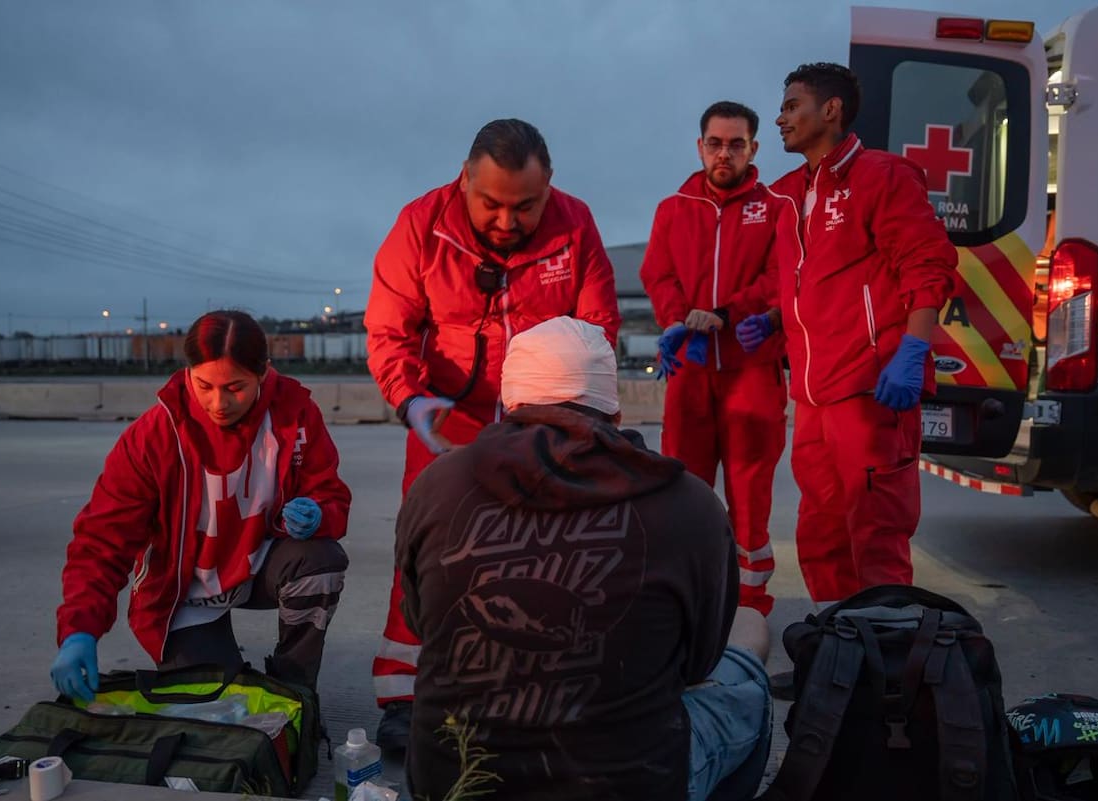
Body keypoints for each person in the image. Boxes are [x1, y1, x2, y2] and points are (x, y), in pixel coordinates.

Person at [396, 316, 772, 801]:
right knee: (751, 630)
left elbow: (423, 622)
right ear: (614, 414)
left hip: (451, 783)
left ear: (509, 406)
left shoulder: (436, 485)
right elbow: (697, 665)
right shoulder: (690, 503)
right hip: (629, 785)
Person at [363, 118, 621, 748]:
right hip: (447, 420)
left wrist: (578, 417)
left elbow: (597, 326)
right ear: (465, 179)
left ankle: (535, 681)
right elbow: (389, 330)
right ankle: (403, 691)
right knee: (428, 549)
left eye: (525, 207)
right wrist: (412, 401)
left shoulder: (576, 223)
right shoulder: (421, 226)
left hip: (545, 419)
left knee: (553, 550)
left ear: (549, 186)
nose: (507, 222)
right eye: (492, 205)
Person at [742, 63, 957, 611]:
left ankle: (886, 675)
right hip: (813, 398)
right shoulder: (791, 195)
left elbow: (927, 264)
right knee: (822, 535)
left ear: (830, 110)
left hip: (869, 389)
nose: (781, 117)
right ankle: (837, 659)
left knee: (876, 534)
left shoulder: (881, 176)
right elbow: (802, 280)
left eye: (792, 105)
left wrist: (913, 350)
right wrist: (772, 318)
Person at [51, 310, 352, 700]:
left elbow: (332, 495)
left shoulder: (295, 414)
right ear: (187, 371)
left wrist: (319, 513)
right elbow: (102, 540)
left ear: (264, 373)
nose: (218, 403)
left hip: (258, 566)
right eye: (204, 385)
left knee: (321, 562)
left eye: (235, 387)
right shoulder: (155, 435)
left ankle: (294, 691)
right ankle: (209, 655)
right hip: (185, 593)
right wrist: (79, 631)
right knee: (219, 705)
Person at [639, 100, 786, 616]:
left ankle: (749, 605)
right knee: (685, 490)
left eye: (736, 144)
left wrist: (725, 312)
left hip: (752, 371)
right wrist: (680, 318)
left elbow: (781, 279)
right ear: (701, 146)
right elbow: (657, 275)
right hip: (691, 373)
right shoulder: (673, 208)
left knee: (750, 496)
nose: (725, 153)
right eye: (716, 143)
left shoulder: (777, 208)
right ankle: (688, 601)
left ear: (754, 148)